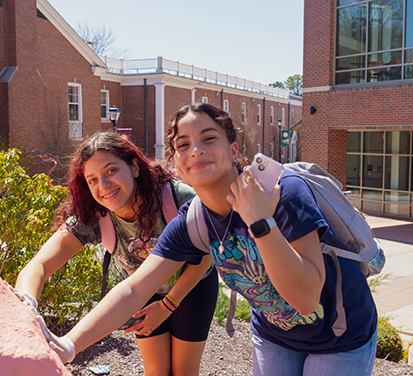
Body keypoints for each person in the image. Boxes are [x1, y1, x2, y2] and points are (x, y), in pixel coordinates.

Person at [40, 104, 377, 376]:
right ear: (177, 165)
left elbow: (305, 298)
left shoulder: (281, 191)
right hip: (275, 335)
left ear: (233, 150)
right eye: (183, 145)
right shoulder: (193, 220)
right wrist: (69, 345)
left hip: (341, 333)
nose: (196, 150)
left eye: (208, 138)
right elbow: (134, 289)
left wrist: (259, 221)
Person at [15, 131, 217, 376]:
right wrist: (27, 304)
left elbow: (207, 252)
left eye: (111, 171)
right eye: (92, 180)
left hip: (191, 286)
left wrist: (168, 305)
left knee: (183, 372)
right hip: (142, 293)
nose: (104, 186)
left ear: (134, 167)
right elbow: (39, 266)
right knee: (156, 371)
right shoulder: (93, 217)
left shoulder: (178, 196)